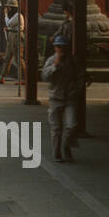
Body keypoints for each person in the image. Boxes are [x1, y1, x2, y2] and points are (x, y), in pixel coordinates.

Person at [42, 33, 82, 163]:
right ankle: (57, 152)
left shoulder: (73, 61)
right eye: (58, 47)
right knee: (56, 129)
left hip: (70, 96)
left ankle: (66, 146)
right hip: (55, 97)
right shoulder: (50, 60)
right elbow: (45, 77)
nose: (61, 49)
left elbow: (80, 75)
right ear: (55, 48)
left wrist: (78, 89)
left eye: (63, 47)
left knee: (72, 125)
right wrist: (55, 66)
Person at [0, 0, 24, 83]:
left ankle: (23, 78)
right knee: (7, 57)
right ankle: (2, 76)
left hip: (17, 36)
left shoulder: (18, 15)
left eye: (9, 7)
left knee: (18, 58)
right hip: (11, 36)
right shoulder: (14, 15)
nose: (8, 9)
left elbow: (8, 23)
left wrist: (5, 15)